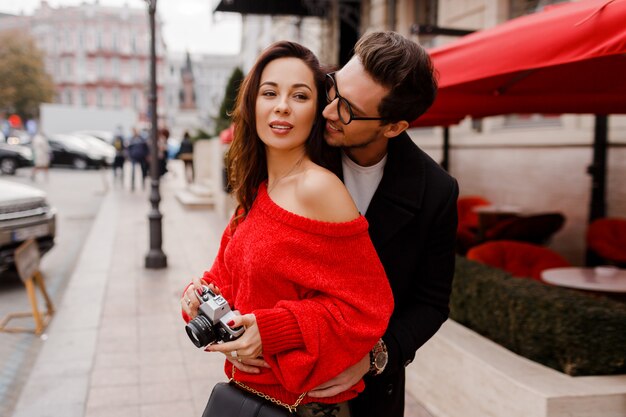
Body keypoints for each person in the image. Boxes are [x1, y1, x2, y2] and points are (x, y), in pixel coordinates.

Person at [180, 41, 394, 417]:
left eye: (299, 95)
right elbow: (225, 280)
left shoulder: (319, 188)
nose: (282, 105)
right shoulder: (257, 191)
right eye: (270, 92)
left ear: (317, 111)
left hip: (305, 407)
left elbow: (368, 306)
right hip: (246, 398)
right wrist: (197, 298)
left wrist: (271, 331)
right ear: (253, 105)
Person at [306, 31, 458, 417]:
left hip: (369, 393)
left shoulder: (435, 191)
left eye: (349, 110)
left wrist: (375, 357)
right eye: (333, 88)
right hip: (281, 376)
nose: (328, 111)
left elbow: (431, 303)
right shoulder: (298, 147)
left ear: (393, 127)